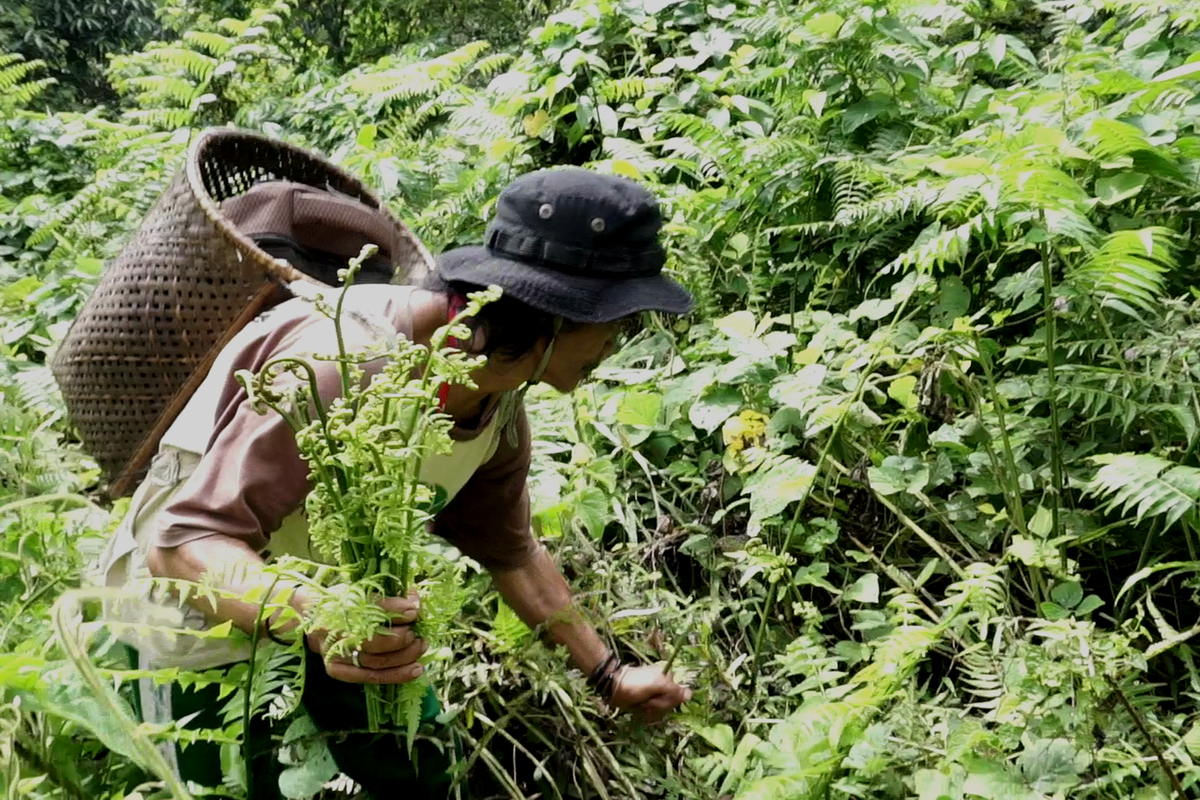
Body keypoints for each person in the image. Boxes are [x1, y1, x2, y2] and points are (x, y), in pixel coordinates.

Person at [101, 166, 694, 796]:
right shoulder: (341, 363)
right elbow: (182, 544)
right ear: (556, 316)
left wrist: (608, 676)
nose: (616, 341)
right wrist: (316, 615)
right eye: (616, 319)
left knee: (425, 775)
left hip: (345, 622)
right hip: (201, 636)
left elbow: (511, 550)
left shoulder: (495, 400)